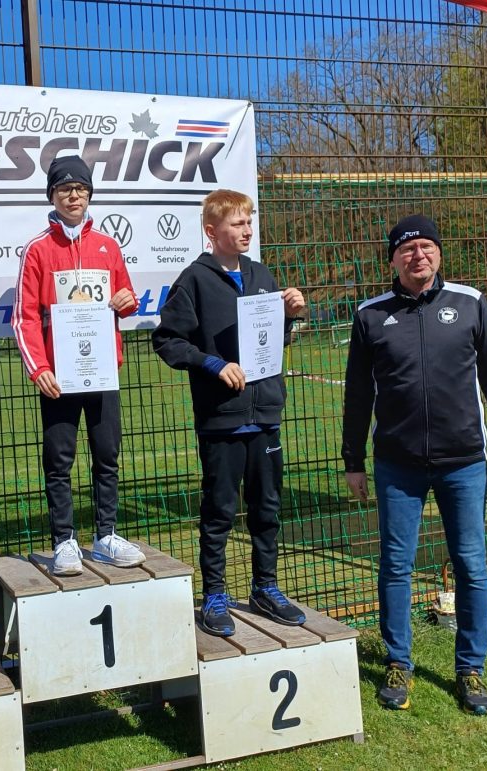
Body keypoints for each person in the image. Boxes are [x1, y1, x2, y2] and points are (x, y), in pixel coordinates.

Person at [342, 214, 487, 716]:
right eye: (407, 249)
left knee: (471, 564)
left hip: (463, 462)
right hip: (397, 465)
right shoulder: (370, 315)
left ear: (439, 253)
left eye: (426, 246)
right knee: (395, 565)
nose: (418, 255)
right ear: (393, 259)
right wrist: (353, 460)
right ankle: (398, 662)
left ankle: (471, 668)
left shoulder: (470, 303)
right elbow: (357, 395)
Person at [152, 189, 307, 637]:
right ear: (211, 231)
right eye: (237, 223)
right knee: (220, 510)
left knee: (268, 508)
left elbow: (270, 342)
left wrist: (290, 316)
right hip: (222, 418)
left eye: (249, 221)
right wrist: (212, 363)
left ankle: (266, 587)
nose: (247, 230)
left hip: (266, 415)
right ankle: (215, 594)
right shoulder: (194, 280)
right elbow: (167, 341)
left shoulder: (262, 275)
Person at [12, 154, 146, 577]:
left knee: (107, 455)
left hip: (101, 370)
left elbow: (126, 297)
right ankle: (64, 541)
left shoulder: (108, 245)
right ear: (52, 195)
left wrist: (127, 301)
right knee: (59, 460)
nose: (74, 195)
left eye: (81, 188)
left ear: (89, 194)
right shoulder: (37, 249)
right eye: (65, 188)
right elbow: (24, 317)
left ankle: (106, 535)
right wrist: (40, 368)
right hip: (59, 375)